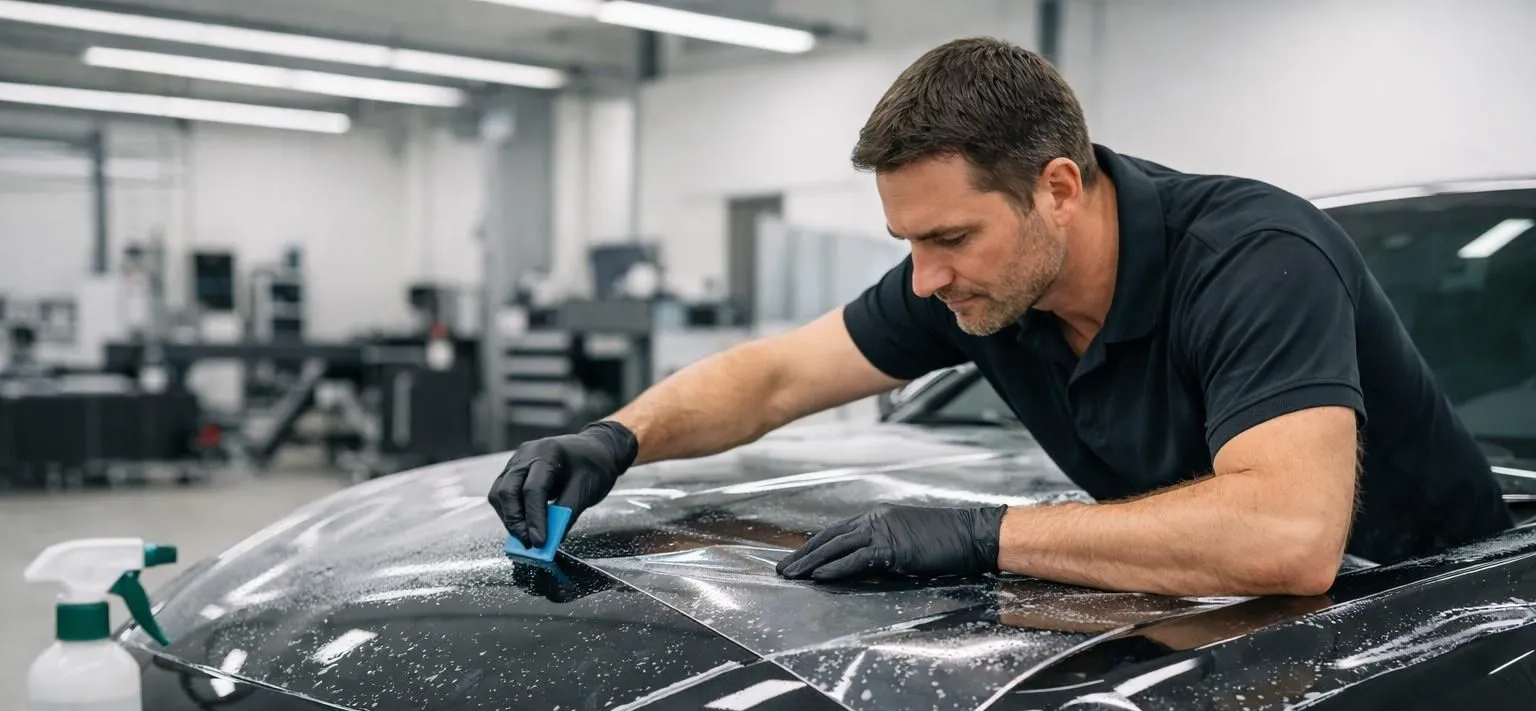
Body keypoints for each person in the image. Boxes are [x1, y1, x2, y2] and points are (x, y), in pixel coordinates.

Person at [488, 37, 1511, 598]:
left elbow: (1288, 535)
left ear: (1057, 188)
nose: (926, 278)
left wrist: (985, 535)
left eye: (950, 239)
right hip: (1219, 608)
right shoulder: (986, 283)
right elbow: (778, 377)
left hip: (1423, 618)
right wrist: (619, 435)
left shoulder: (1253, 261)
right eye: (909, 244)